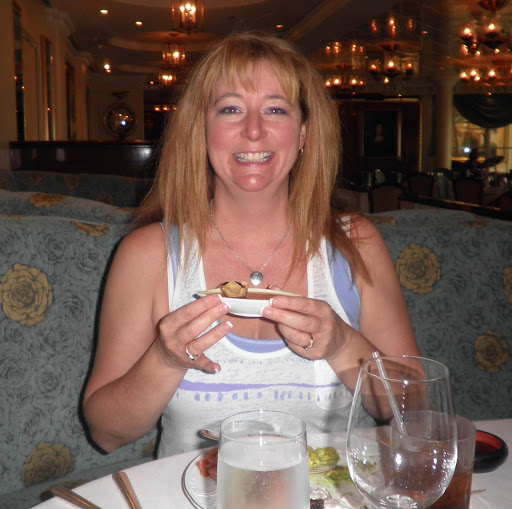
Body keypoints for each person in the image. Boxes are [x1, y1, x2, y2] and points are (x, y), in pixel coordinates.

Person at [83, 31, 419, 458]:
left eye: (275, 109)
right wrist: (164, 360)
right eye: (231, 109)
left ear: (303, 133)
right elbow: (106, 434)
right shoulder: (147, 254)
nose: (254, 130)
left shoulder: (355, 243)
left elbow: (416, 411)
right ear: (201, 131)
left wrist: (344, 345)